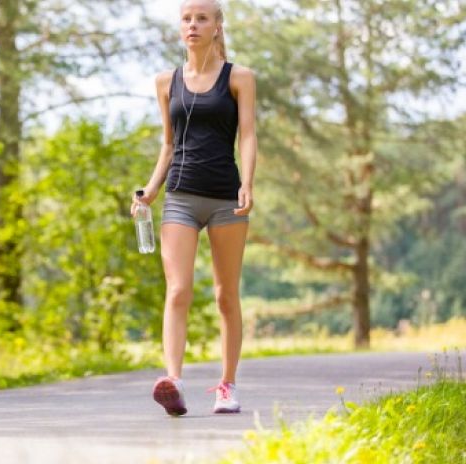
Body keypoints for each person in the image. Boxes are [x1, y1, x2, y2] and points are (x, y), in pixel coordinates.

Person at [131, 0, 257, 416]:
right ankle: (174, 381)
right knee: (179, 289)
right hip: (181, 196)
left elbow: (248, 137)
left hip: (225, 197)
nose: (193, 25)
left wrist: (249, 184)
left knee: (225, 296)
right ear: (179, 27)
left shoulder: (239, 78)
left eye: (202, 18)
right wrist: (150, 191)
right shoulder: (166, 82)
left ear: (217, 26)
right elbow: (168, 145)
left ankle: (227, 386)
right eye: (186, 18)